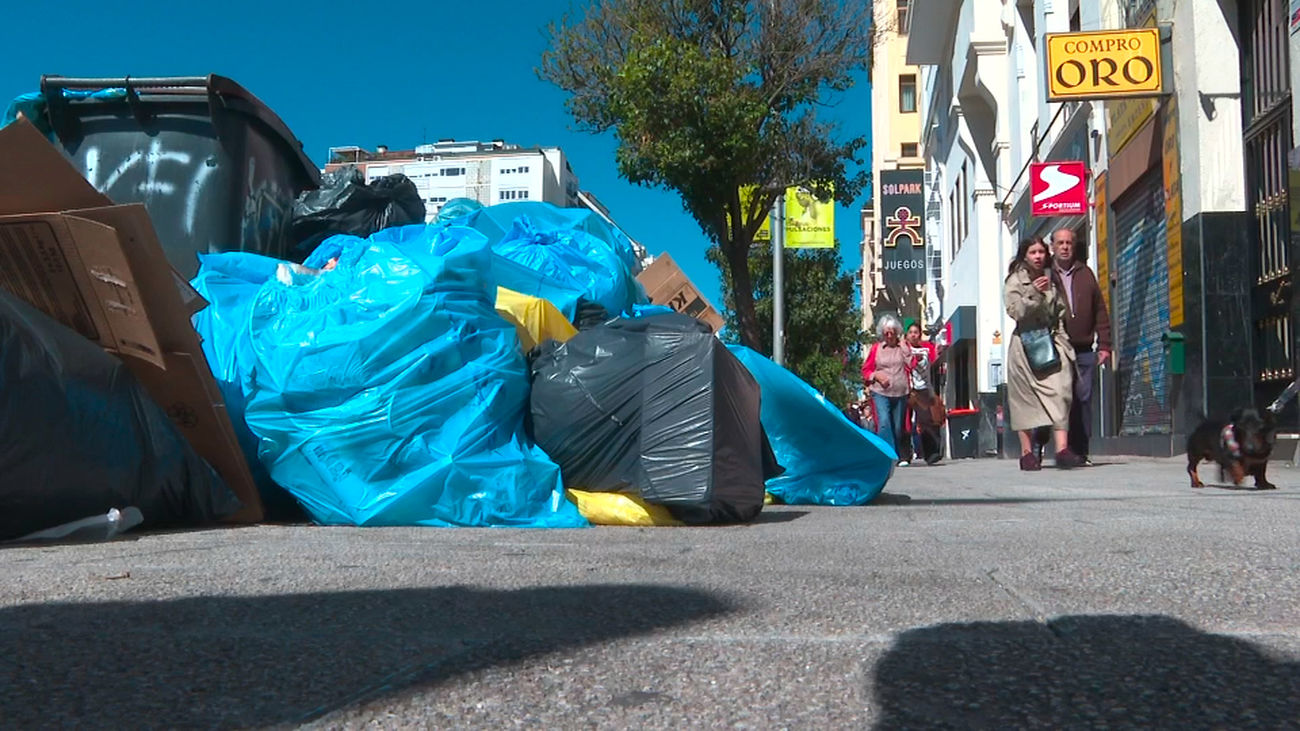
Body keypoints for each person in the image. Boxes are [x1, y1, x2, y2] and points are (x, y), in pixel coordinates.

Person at [1004, 238, 1082, 470]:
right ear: (1024, 255)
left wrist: (1064, 341)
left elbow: (1059, 311)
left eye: (1041, 252)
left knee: (1061, 391)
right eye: (1033, 252)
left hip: (1051, 341)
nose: (1038, 256)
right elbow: (1015, 311)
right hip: (1025, 345)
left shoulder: (1051, 277)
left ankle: (1062, 450)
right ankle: (1027, 453)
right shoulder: (1015, 280)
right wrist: (1034, 293)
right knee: (1024, 400)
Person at [1050, 228, 1111, 465]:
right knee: (1059, 399)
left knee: (1083, 399)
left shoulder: (1086, 274)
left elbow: (1100, 310)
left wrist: (1104, 344)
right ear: (1052, 247)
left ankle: (1081, 451)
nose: (1065, 247)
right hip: (1056, 349)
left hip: (1084, 349)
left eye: (1068, 243)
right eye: (1060, 243)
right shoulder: (1046, 274)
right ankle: (1045, 446)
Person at [862, 314, 912, 466]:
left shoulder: (903, 347)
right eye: (886, 333)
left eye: (892, 332)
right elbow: (866, 370)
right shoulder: (876, 349)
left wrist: (904, 347)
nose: (889, 336)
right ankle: (887, 456)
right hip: (880, 392)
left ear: (897, 332)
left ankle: (897, 454)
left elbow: (912, 364)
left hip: (901, 392)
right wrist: (876, 375)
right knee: (884, 422)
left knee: (898, 427)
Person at [904, 321, 946, 464]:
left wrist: (939, 350)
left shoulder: (927, 348)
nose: (913, 335)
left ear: (920, 334)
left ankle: (931, 453)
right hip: (909, 389)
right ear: (906, 335)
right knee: (906, 422)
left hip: (924, 389)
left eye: (916, 332)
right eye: (911, 332)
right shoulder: (903, 349)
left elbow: (935, 358)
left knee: (929, 420)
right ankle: (905, 454)